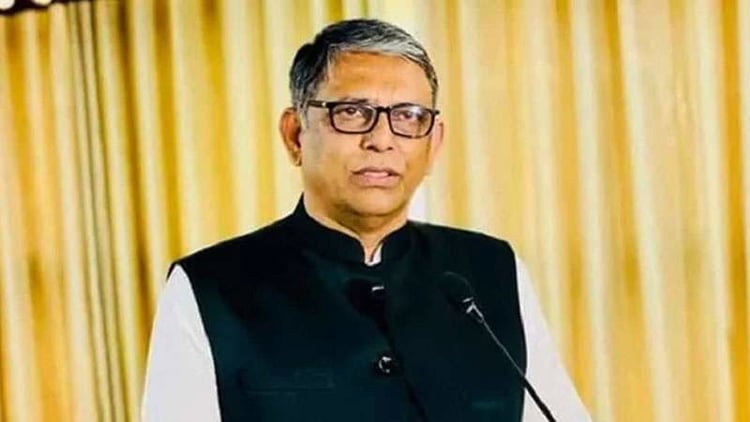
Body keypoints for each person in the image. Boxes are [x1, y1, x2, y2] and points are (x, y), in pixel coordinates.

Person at [141, 18, 591, 422]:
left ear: (433, 143)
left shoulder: (489, 269)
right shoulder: (211, 288)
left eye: (408, 117)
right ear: (295, 135)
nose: (381, 139)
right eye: (352, 113)